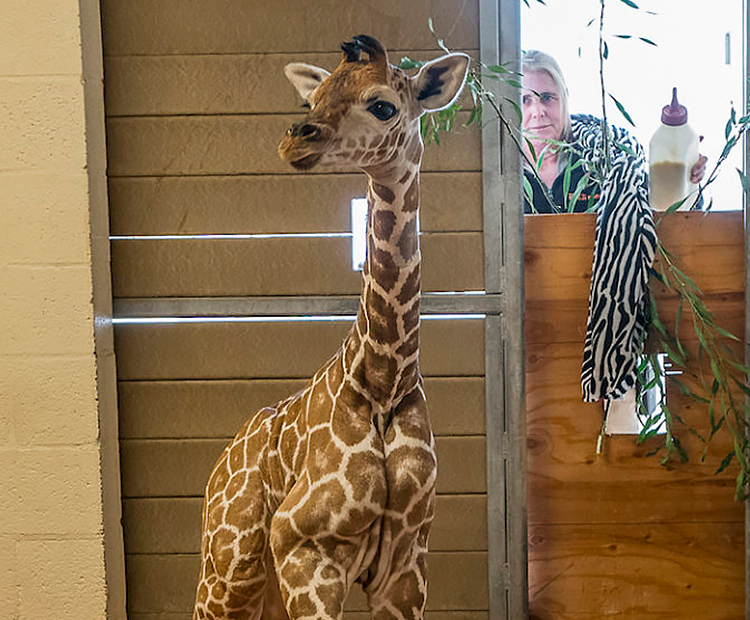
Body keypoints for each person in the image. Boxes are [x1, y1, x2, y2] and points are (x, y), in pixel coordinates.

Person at [521, 50, 707, 213]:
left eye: (546, 98)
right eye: (525, 100)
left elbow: (671, 217)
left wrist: (688, 178)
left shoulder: (607, 155)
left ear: (564, 98)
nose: (537, 112)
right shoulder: (499, 169)